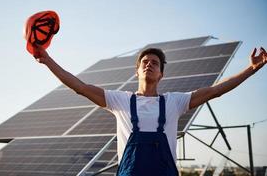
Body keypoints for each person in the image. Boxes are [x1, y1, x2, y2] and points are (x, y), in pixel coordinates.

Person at [32, 44, 266, 176]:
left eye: (154, 63)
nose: (149, 64)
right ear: (137, 72)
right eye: (144, 62)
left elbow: (215, 91)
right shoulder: (119, 100)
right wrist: (48, 60)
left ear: (161, 74)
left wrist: (251, 69)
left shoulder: (174, 101)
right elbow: (80, 87)